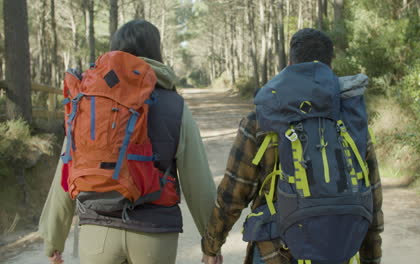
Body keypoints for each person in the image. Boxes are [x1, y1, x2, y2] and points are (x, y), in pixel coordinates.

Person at [39, 19, 219, 264]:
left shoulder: (90, 102)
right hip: (154, 234)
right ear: (157, 53)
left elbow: (68, 167)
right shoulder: (174, 105)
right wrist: (211, 243)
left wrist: (54, 239)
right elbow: (197, 180)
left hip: (97, 231)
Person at [201, 28, 383, 264]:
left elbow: (233, 193)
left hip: (274, 252)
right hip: (337, 250)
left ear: (289, 64)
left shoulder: (261, 119)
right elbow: (371, 196)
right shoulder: (351, 120)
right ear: (330, 66)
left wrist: (211, 247)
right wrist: (371, 258)